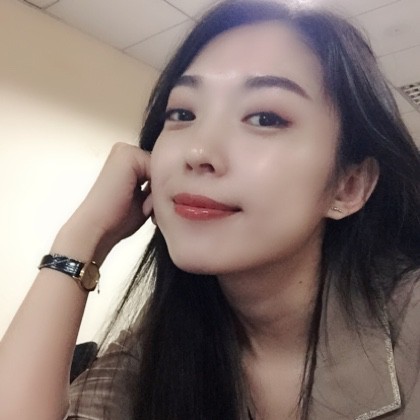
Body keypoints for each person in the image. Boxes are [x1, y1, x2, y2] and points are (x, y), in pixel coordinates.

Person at [0, 0, 419, 419]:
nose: (199, 151)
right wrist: (82, 238)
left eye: (265, 118)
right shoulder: (159, 343)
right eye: (183, 113)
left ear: (349, 186)